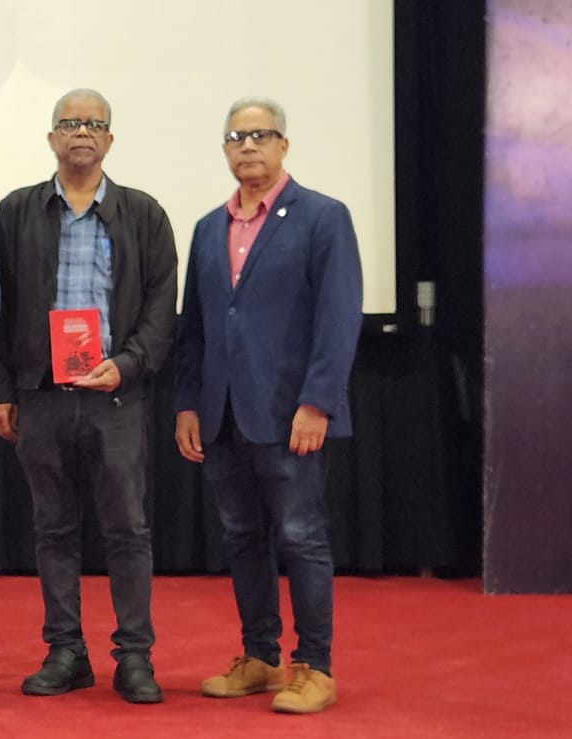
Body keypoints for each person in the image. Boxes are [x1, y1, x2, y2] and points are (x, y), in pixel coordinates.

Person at [0, 89, 178, 704]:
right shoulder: (17, 211)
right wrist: (1, 389)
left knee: (128, 531)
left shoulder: (143, 213)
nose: (82, 132)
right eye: (70, 123)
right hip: (41, 396)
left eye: (94, 124)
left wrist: (128, 365)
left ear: (110, 140)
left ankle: (135, 657)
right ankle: (66, 651)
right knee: (54, 529)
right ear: (52, 138)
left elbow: (161, 306)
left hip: (116, 398)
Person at [174, 97, 362, 714]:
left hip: (290, 414)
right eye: (236, 137)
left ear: (283, 145)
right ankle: (260, 656)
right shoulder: (208, 227)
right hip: (222, 414)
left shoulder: (322, 217)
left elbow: (338, 318)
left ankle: (314, 667)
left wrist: (318, 401)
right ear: (225, 150)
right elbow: (195, 328)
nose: (248, 145)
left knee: (301, 537)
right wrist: (189, 402)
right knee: (241, 537)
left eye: (260, 135)